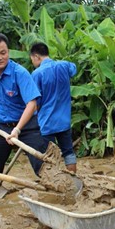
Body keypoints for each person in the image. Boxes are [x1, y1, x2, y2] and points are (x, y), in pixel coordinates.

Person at [0, 33, 48, 210]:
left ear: (8, 52)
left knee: (43, 166)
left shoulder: (19, 73)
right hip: (1, 128)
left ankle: (57, 200)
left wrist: (18, 129)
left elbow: (32, 103)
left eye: (3, 52)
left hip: (27, 126)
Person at [30, 42, 78, 173]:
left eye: (32, 59)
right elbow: (74, 69)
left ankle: (55, 182)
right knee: (68, 152)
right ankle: (74, 180)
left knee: (50, 156)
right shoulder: (64, 65)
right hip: (64, 120)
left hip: (47, 122)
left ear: (36, 56)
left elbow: (35, 101)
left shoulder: (37, 74)